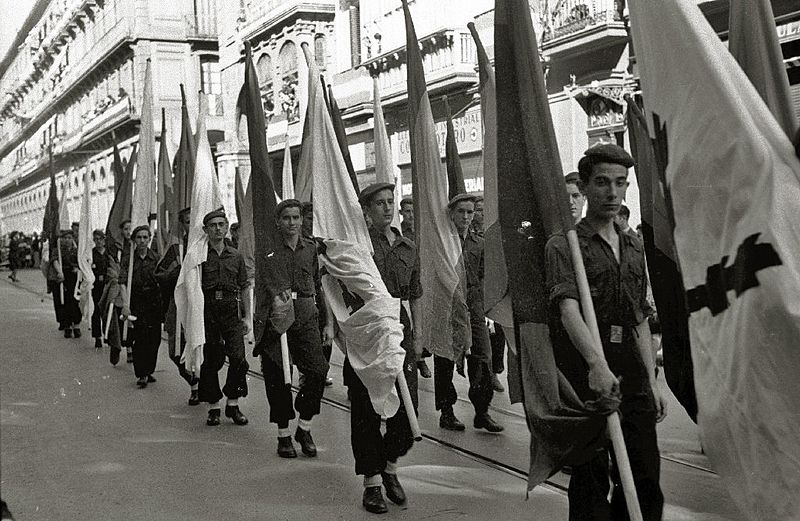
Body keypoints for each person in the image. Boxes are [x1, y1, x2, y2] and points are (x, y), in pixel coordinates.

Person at [545, 144, 666, 521]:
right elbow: (568, 310)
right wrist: (596, 365)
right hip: (586, 370)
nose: (612, 193)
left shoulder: (633, 244)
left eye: (620, 183)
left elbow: (639, 318)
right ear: (584, 187)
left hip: (630, 367)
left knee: (645, 481)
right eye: (601, 183)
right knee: (591, 486)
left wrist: (651, 380)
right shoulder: (566, 246)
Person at [350, 183, 420, 514]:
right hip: (369, 330)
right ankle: (372, 483)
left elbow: (415, 294)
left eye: (391, 202)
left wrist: (417, 334)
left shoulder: (407, 246)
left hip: (401, 327)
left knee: (408, 411)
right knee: (366, 409)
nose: (388, 208)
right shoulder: (358, 248)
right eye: (380, 203)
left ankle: (390, 468)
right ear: (366, 210)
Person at [254, 199, 330, 458]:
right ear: (278, 221)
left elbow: (319, 286)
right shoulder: (268, 250)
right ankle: (283, 434)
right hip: (278, 317)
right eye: (286, 218)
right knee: (278, 377)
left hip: (307, 315)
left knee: (318, 371)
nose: (292, 222)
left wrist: (327, 322)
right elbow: (263, 286)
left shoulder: (310, 249)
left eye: (296, 217)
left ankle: (305, 426)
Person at [434, 193, 503, 433]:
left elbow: (485, 277)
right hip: (448, 307)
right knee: (445, 359)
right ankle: (447, 411)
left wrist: (485, 309)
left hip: (473, 308)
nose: (465, 216)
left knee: (483, 356)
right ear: (451, 213)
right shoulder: (443, 243)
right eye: (461, 211)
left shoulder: (479, 243)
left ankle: (482, 411)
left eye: (470, 212)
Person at [198, 209, 251, 426]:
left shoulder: (235, 255)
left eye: (221, 224)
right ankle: (213, 407)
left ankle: (233, 403)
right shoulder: (199, 256)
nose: (218, 228)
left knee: (238, 358)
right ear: (206, 230)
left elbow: (245, 286)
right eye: (213, 225)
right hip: (208, 310)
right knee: (212, 359)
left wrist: (247, 316)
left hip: (231, 310)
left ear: (227, 226)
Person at [154, 207, 199, 405]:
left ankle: (197, 387)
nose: (192, 225)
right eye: (188, 221)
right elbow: (160, 276)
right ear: (183, 226)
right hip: (178, 305)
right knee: (175, 351)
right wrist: (177, 272)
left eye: (195, 221)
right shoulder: (176, 250)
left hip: (201, 305)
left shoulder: (207, 248)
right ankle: (191, 378)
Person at [120, 226, 163, 388]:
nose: (142, 241)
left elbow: (162, 280)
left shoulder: (156, 258)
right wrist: (125, 305)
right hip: (136, 302)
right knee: (140, 337)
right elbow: (123, 283)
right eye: (139, 237)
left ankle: (149, 369)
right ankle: (142, 373)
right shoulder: (129, 259)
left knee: (154, 339)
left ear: (150, 238)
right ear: (134, 240)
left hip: (153, 303)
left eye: (145, 237)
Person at [53, 229, 82, 338]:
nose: (67, 240)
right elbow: (55, 261)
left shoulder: (76, 250)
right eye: (65, 238)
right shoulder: (58, 251)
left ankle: (77, 325)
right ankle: (67, 326)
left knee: (76, 301)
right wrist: (59, 272)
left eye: (69, 238)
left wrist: (78, 268)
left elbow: (82, 262)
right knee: (65, 302)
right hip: (64, 277)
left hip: (75, 278)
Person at [90, 230, 108, 349]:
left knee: (107, 311)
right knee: (96, 311)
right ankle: (97, 337)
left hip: (107, 285)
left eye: (100, 239)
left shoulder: (109, 253)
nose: (99, 242)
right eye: (96, 239)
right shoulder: (91, 254)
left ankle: (107, 334)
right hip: (96, 285)